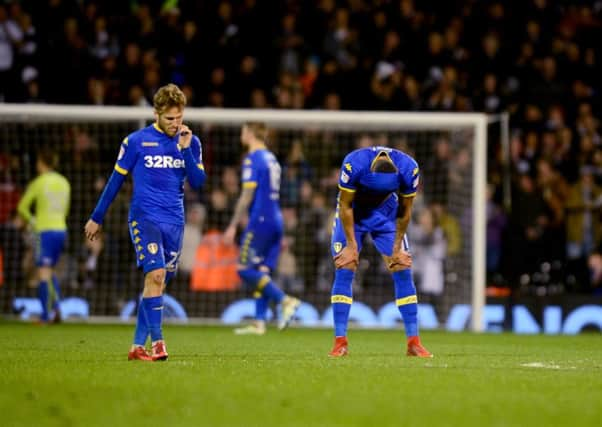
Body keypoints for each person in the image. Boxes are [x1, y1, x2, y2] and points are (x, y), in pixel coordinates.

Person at [84, 83, 206, 361]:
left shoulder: (191, 142)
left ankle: (137, 347)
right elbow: (115, 181)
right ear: (156, 113)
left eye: (179, 117)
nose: (176, 124)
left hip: (174, 222)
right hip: (144, 218)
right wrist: (96, 217)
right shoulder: (136, 141)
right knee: (156, 275)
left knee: (157, 284)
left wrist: (186, 150)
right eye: (170, 118)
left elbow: (199, 183)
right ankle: (158, 343)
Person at [328, 146, 432, 358]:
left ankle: (414, 342)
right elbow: (345, 205)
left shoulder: (408, 168)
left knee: (402, 265)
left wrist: (396, 248)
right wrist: (351, 245)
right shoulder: (353, 163)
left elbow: (405, 210)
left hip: (386, 213)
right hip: (354, 212)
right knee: (345, 265)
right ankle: (340, 342)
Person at [224, 122, 301, 335]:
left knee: (244, 269)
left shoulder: (253, 158)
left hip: (261, 219)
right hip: (276, 218)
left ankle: (285, 300)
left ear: (248, 134)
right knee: (262, 270)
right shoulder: (272, 158)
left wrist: (232, 225)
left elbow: (247, 195)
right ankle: (259, 322)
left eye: (243, 131)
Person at [17, 149, 71, 324]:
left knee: (43, 273)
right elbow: (66, 208)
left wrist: (33, 221)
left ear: (41, 163)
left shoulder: (39, 182)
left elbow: (22, 207)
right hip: (61, 230)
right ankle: (57, 310)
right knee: (49, 271)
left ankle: (45, 316)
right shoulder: (64, 182)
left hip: (45, 230)